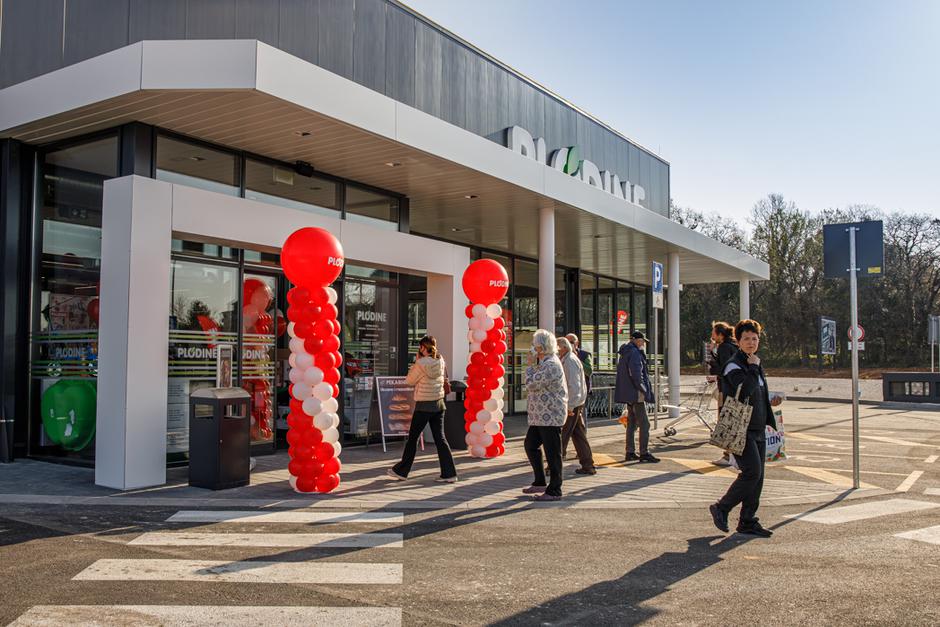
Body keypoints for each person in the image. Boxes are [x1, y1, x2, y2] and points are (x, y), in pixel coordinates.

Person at [709, 319, 777, 538]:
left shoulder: (754, 361)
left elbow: (758, 392)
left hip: (757, 427)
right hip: (741, 428)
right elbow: (745, 390)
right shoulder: (734, 365)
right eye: (746, 338)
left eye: (754, 338)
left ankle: (747, 520)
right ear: (738, 341)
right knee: (751, 472)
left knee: (759, 476)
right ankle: (722, 507)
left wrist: (771, 403)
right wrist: (754, 367)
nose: (751, 342)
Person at [387, 335, 458, 483]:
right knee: (440, 439)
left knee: (413, 439)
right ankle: (449, 474)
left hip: (424, 406)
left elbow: (409, 380)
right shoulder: (440, 360)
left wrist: (416, 362)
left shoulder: (421, 363)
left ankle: (401, 471)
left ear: (422, 347)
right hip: (438, 404)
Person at [522, 329, 568, 501]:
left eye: (534, 345)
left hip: (550, 415)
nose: (532, 348)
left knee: (552, 453)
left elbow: (531, 383)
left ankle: (555, 489)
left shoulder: (551, 364)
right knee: (530, 445)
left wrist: (530, 365)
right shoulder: (544, 362)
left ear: (541, 347)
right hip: (540, 416)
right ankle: (540, 481)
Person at [615, 331, 659, 463]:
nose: (643, 344)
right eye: (642, 341)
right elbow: (636, 374)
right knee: (645, 424)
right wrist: (643, 389)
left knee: (631, 422)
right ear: (636, 340)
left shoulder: (625, 352)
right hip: (636, 392)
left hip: (628, 393)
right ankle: (644, 452)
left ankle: (630, 452)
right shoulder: (635, 353)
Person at [557, 336, 596, 475]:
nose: (555, 350)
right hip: (575, 402)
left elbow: (574, 385)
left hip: (572, 403)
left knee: (563, 435)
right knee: (578, 434)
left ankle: (554, 466)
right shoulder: (568, 359)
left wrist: (570, 407)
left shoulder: (569, 361)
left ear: (563, 348)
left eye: (557, 347)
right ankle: (588, 464)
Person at [708, 321, 737, 467]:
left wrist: (712, 354)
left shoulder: (724, 347)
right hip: (733, 389)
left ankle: (728, 455)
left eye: (713, 333)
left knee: (726, 422)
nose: (712, 336)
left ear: (720, 334)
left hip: (726, 389)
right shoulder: (733, 345)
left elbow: (723, 368)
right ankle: (732, 454)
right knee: (732, 422)